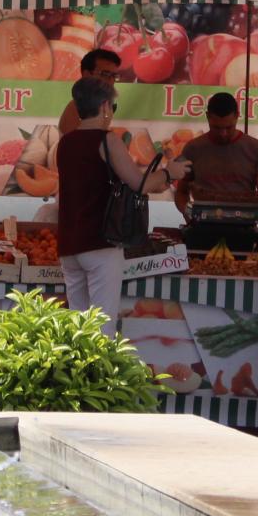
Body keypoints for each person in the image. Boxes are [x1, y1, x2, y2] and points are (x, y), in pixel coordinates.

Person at [56, 76, 188, 330]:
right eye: (112, 108)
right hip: (100, 243)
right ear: (105, 106)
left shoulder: (65, 142)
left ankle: (78, 370)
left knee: (78, 327)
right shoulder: (107, 140)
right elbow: (138, 183)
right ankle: (100, 371)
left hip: (69, 245)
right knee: (102, 329)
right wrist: (170, 173)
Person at [174, 91, 258, 216]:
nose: (223, 133)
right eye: (216, 127)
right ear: (207, 116)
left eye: (229, 127)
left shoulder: (257, 149)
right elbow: (182, 192)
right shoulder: (192, 149)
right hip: (203, 226)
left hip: (243, 227)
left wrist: (251, 217)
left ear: (237, 116)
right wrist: (189, 213)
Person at [56, 47, 122, 134]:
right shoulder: (76, 108)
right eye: (105, 74)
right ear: (86, 74)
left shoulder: (104, 106)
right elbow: (76, 145)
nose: (110, 80)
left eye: (114, 75)